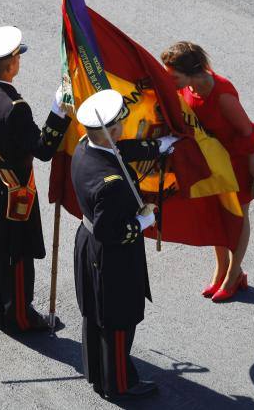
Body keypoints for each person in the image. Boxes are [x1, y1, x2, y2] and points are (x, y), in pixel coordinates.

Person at [0, 25, 71, 333]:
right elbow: (44, 149)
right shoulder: (15, 108)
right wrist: (57, 112)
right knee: (17, 254)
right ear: (11, 65)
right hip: (12, 189)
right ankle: (20, 317)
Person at [70, 89, 178, 401]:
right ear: (112, 130)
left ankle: (97, 371)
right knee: (118, 319)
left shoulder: (84, 148)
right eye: (119, 127)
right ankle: (118, 384)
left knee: (95, 313)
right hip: (111, 254)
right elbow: (110, 231)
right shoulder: (112, 185)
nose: (123, 131)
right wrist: (143, 223)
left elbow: (119, 151)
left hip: (86, 243)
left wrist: (155, 147)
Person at [161, 41, 254, 302]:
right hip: (213, 162)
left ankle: (233, 276)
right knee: (217, 214)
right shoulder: (187, 88)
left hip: (239, 161)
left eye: (173, 76)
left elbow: (247, 132)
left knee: (238, 216)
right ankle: (222, 270)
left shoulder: (223, 95)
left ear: (189, 73)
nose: (169, 80)